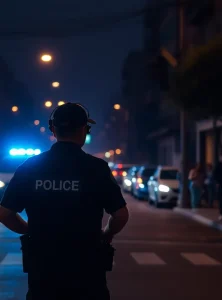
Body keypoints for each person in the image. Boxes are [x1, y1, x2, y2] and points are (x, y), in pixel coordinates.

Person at [0, 103, 129, 300]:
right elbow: (120, 215)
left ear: (53, 129)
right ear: (85, 129)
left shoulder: (30, 167)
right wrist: (107, 233)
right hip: (87, 272)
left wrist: (29, 229)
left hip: (43, 271)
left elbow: (5, 213)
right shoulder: (97, 168)